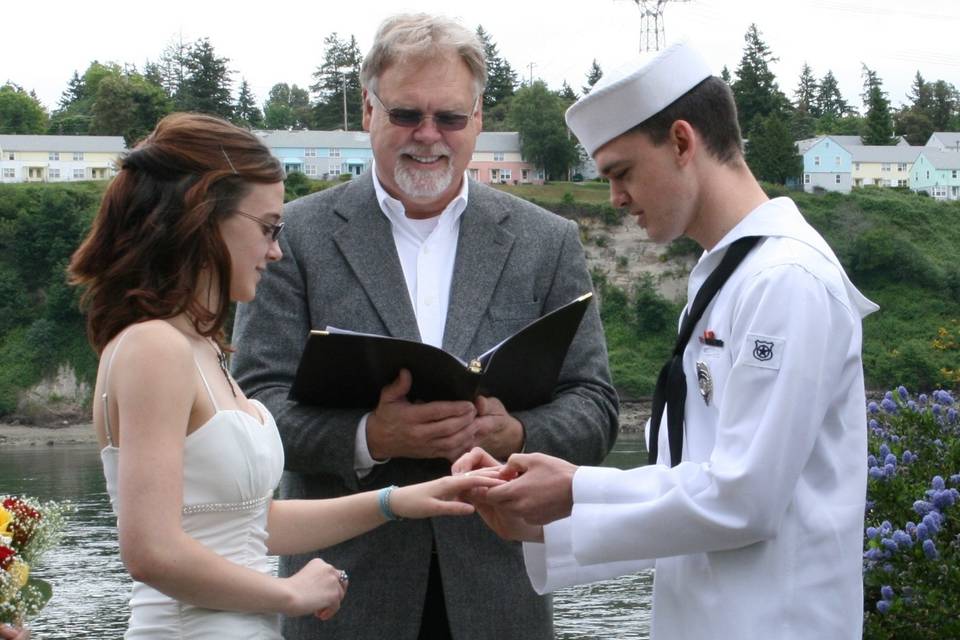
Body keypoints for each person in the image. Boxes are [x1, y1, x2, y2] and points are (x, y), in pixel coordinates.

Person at [454, 42, 879, 639]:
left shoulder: (786, 280)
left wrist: (573, 496)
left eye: (621, 173)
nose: (616, 198)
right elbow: (691, 481)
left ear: (682, 142)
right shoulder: (727, 278)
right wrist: (559, 504)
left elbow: (742, 501)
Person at [231, 13, 618, 640]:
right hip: (343, 594)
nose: (429, 137)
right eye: (407, 114)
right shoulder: (294, 237)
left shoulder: (547, 242)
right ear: (368, 111)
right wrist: (371, 437)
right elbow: (255, 408)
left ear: (479, 119)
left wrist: (514, 431)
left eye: (450, 118)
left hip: (500, 595)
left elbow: (596, 407)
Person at [66, 112, 501, 639]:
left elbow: (251, 525)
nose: (276, 250)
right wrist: (289, 594)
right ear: (202, 217)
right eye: (269, 228)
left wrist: (397, 502)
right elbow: (151, 552)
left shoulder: (199, 348)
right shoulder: (154, 346)